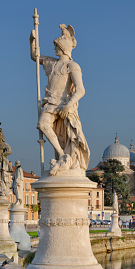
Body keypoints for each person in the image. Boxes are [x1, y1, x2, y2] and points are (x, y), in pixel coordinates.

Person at [30, 24, 89, 174]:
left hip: (64, 104)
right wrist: (32, 42)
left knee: (70, 137)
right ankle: (62, 156)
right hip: (50, 102)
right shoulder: (51, 63)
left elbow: (80, 90)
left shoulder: (72, 65)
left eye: (57, 46)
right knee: (42, 125)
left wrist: (68, 106)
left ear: (64, 48)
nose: (55, 48)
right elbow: (34, 57)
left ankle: (67, 159)